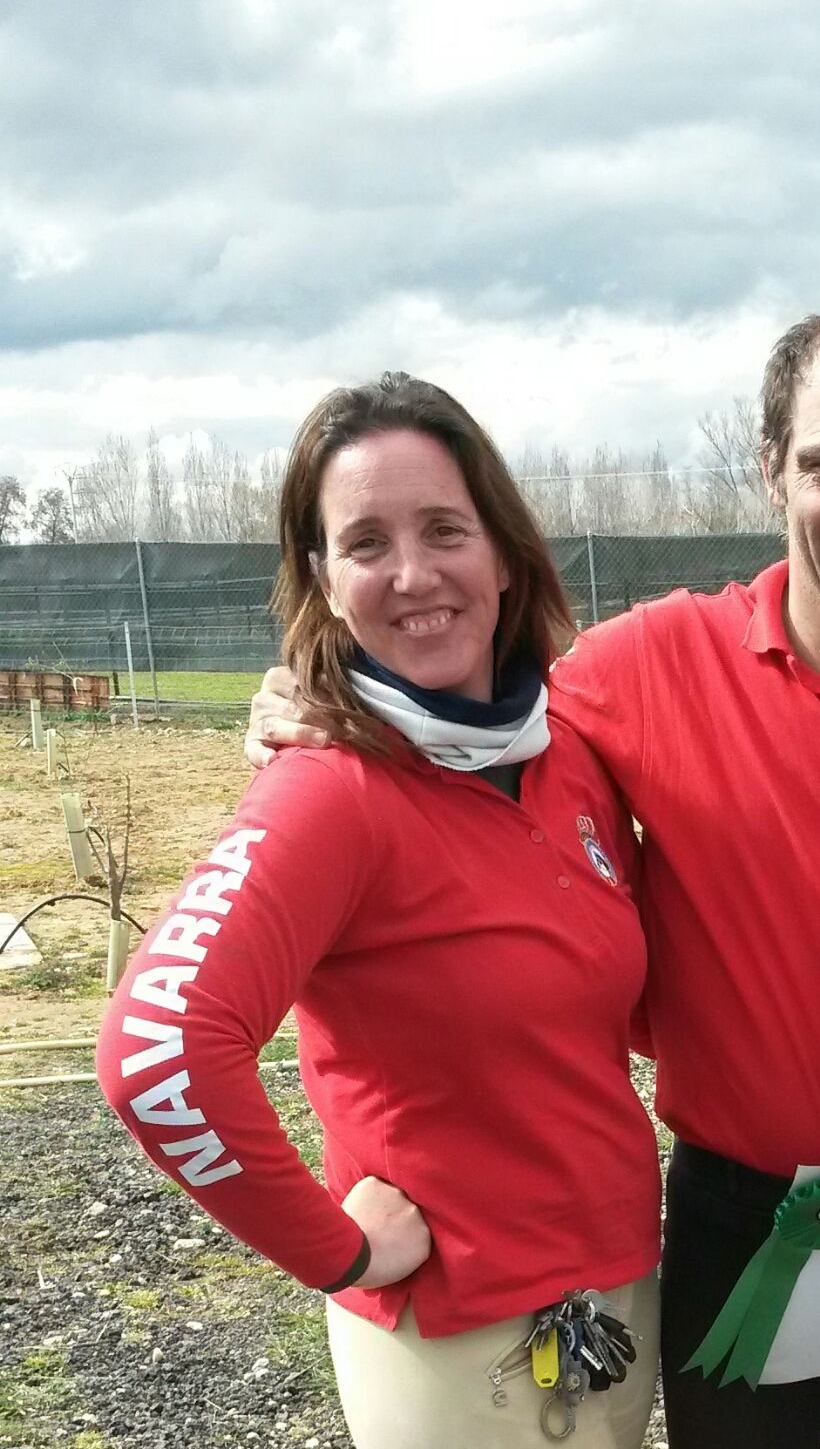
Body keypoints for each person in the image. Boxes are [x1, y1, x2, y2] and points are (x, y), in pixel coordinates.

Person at [247, 295, 820, 1449]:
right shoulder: (638, 670)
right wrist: (319, 692)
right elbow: (462, 710)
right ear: (772, 468)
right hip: (735, 1210)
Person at [98, 374, 662, 1449]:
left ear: (503, 551)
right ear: (321, 576)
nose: (413, 575)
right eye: (366, 543)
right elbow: (154, 1051)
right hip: (459, 1339)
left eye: (444, 529)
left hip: (611, 1291)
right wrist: (334, 1249)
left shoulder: (565, 754)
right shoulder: (329, 787)